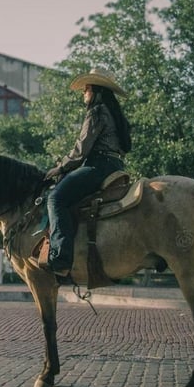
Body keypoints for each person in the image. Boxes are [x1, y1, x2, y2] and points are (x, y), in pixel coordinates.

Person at [42, 68, 132, 277]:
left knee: (55, 198)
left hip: (98, 166)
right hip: (116, 165)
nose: (84, 92)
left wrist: (60, 167)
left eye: (87, 88)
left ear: (95, 90)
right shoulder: (115, 113)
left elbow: (81, 150)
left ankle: (61, 258)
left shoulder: (97, 111)